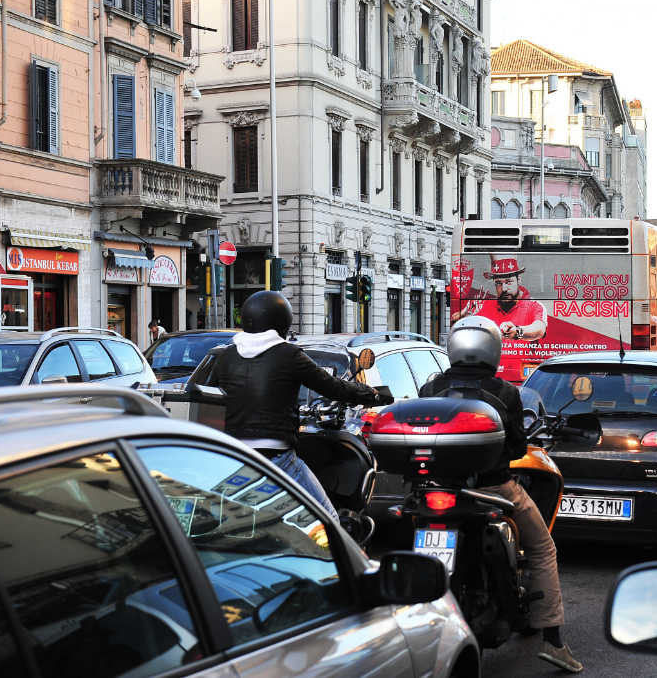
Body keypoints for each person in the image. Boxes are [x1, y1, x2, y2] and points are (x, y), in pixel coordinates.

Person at [419, 316, 583, 673]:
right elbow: (515, 446)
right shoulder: (504, 392)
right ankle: (553, 640)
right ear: (492, 349)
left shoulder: (431, 388)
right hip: (493, 489)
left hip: (437, 487)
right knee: (542, 547)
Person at [211, 290, 390, 522]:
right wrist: (373, 395)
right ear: (282, 321)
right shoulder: (288, 354)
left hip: (235, 457)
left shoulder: (226, 356)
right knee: (328, 520)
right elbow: (333, 387)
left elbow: (209, 396)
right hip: (277, 457)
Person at [472, 257, 548, 342]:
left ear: (518, 280)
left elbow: (540, 329)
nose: (504, 288)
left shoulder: (535, 306)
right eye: (498, 283)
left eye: (509, 282)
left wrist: (517, 332)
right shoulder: (487, 306)